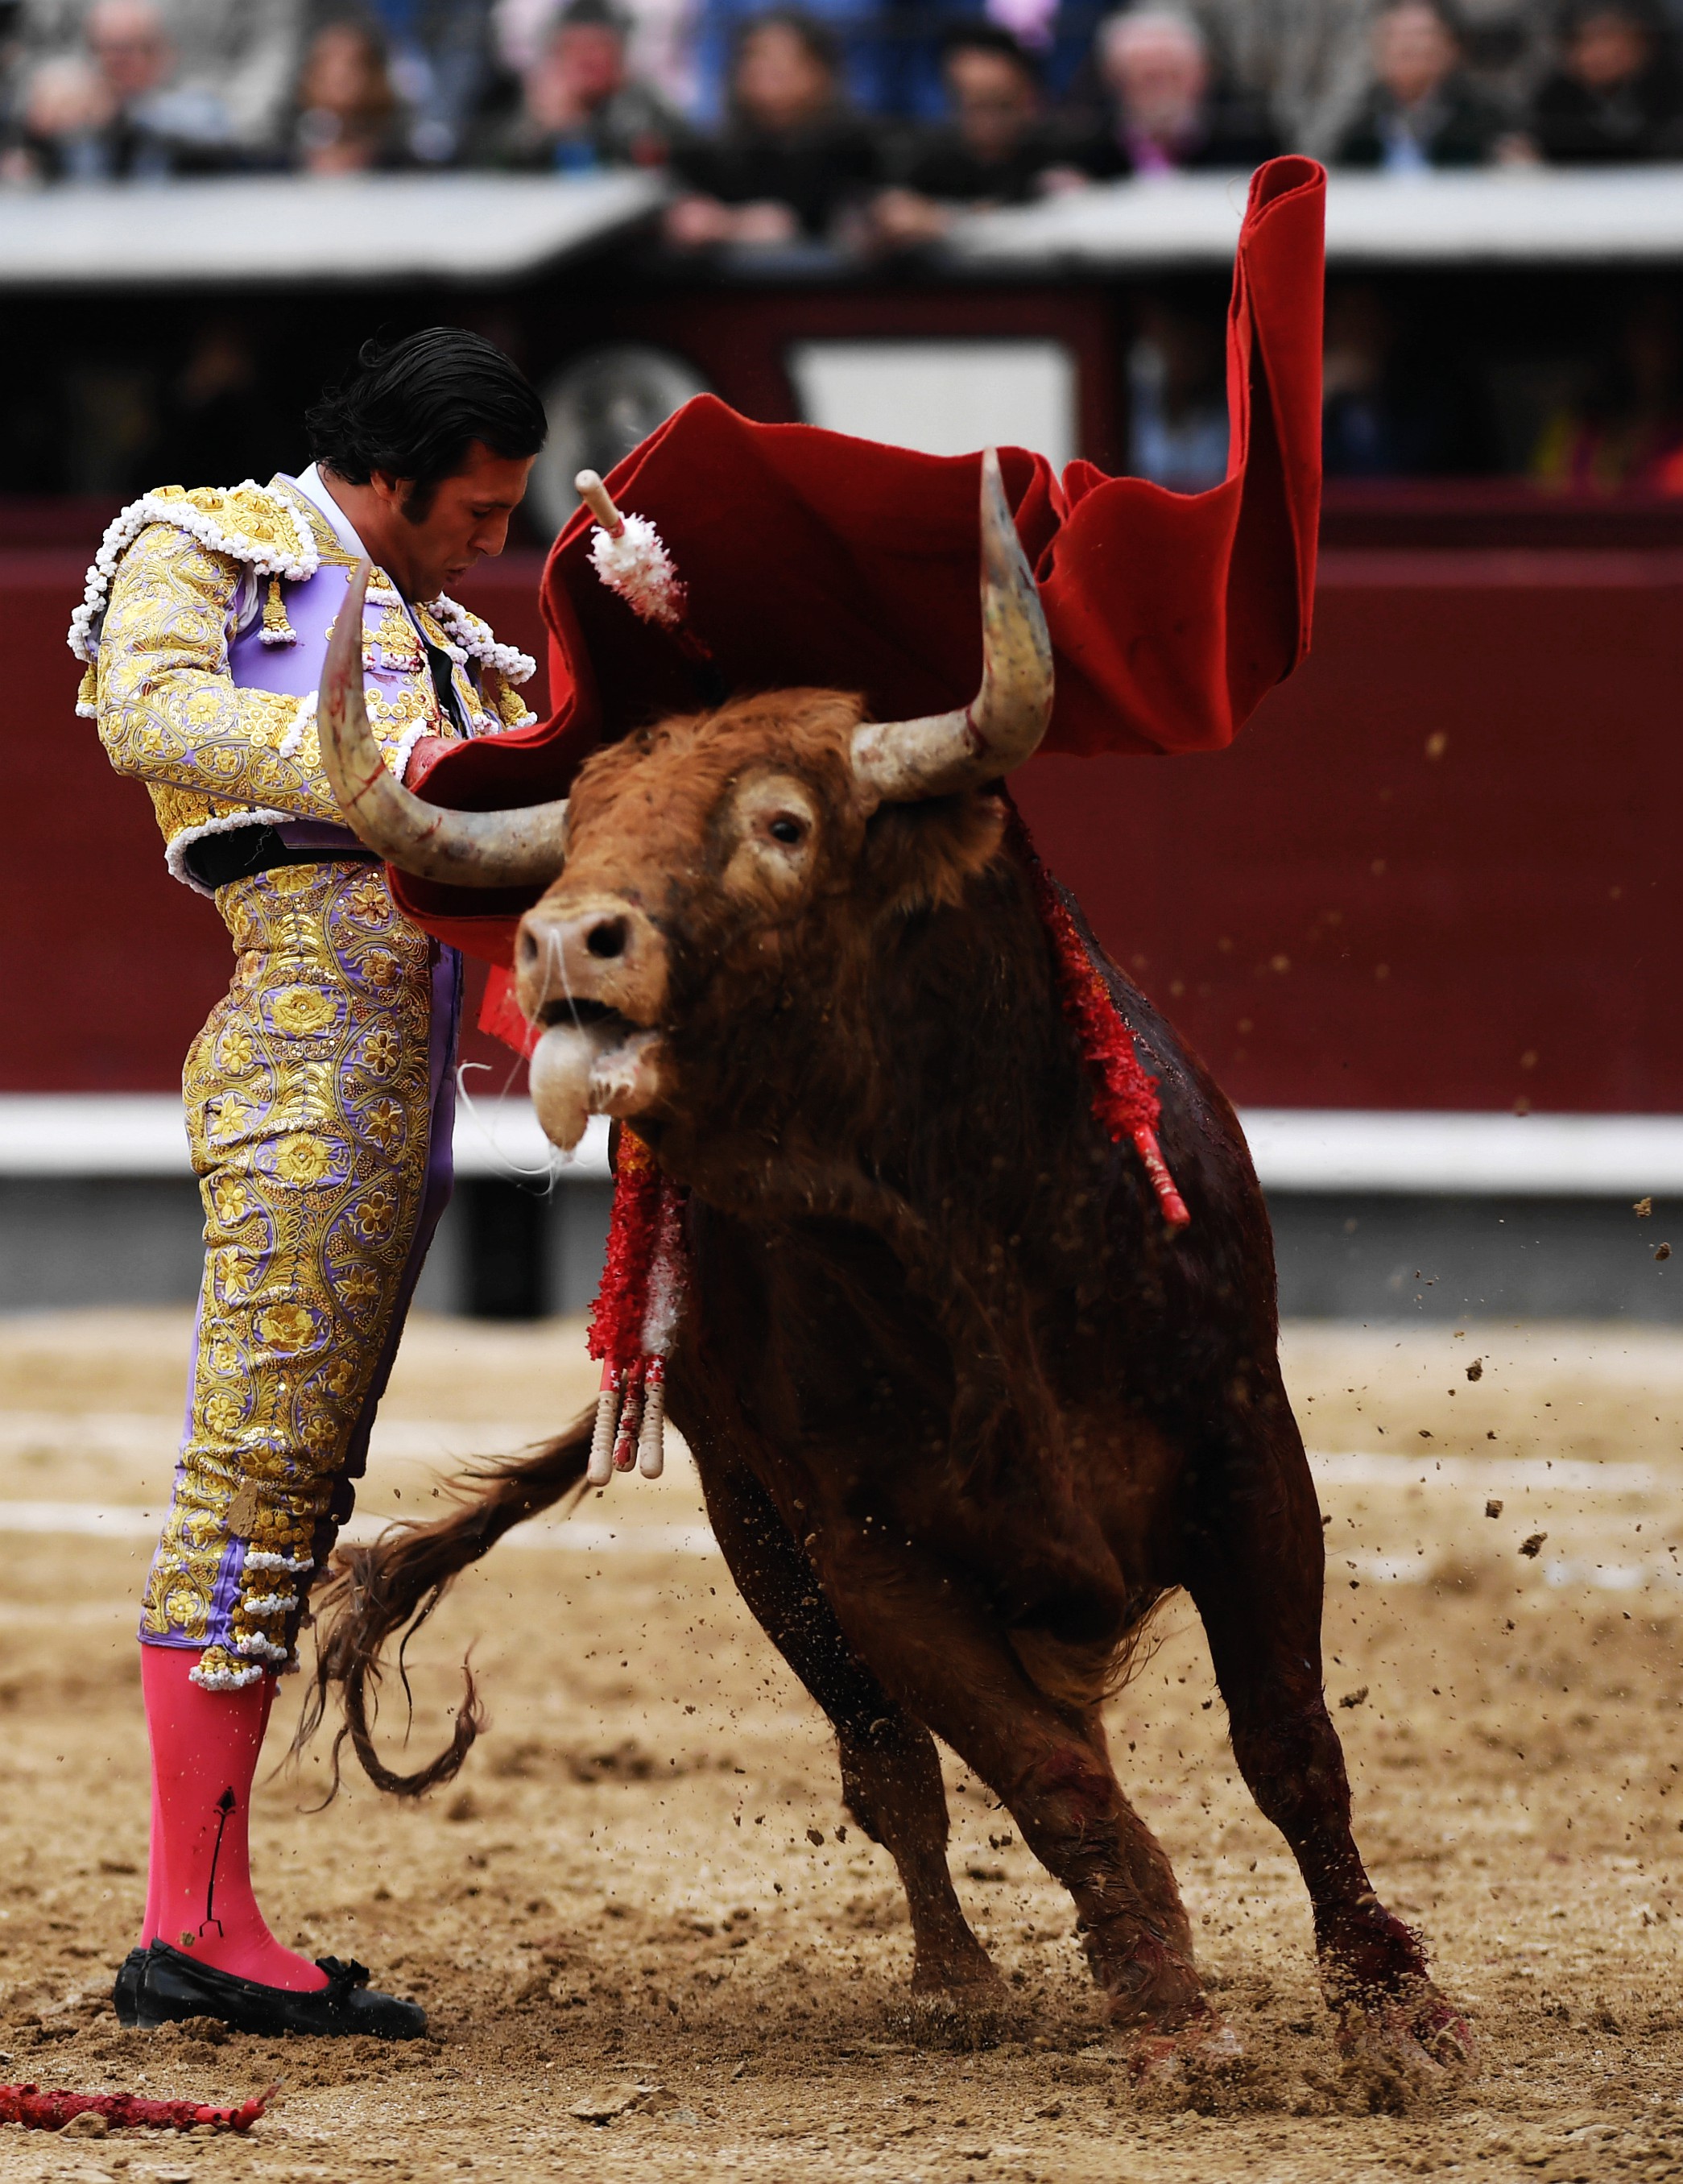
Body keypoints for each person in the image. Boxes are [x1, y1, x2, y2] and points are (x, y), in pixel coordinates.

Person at [76, 327, 547, 2037]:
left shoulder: (458, 643)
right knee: (260, 1467)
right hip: (301, 1055)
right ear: (392, 475)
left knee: (303, 1466)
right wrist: (399, 763)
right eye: (475, 511)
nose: (492, 543)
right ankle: (191, 1924)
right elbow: (149, 708)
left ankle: (202, 1910)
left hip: (413, 1076)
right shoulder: (205, 540)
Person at [666, 8, 881, 248]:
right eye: (753, 61)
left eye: (782, 65)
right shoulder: (709, 158)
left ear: (822, 72)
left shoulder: (862, 152)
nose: (764, 76)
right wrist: (727, 224)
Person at [873, 23, 1085, 250]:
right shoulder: (924, 162)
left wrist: (948, 223)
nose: (987, 121)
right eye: (973, 104)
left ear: (1029, 96)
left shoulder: (1064, 153)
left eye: (1002, 104)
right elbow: (894, 217)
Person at [7, 0, 236, 180]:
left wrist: (119, 114)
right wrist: (36, 138)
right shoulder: (80, 108)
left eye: (132, 48)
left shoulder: (190, 106)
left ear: (161, 51)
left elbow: (216, 138)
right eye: (107, 49)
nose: (120, 62)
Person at [1074, 7, 1280, 180]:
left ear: (1202, 73)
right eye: (1147, 77)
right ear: (1114, 78)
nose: (1160, 91)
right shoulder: (1081, 150)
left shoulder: (1250, 141)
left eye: (1174, 75)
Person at [475, 0, 684, 170]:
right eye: (573, 48)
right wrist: (540, 130)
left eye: (597, 47)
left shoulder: (642, 106)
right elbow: (492, 163)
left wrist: (576, 128)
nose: (586, 61)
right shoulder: (522, 106)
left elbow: (663, 159)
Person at [1532, 285, 1683, 488]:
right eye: (1648, 327)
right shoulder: (1573, 427)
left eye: (1671, 327)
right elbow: (1541, 498)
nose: (1660, 342)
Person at [1333, 0, 1513, 168]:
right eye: (1394, 35)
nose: (1407, 45)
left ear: (1451, 47)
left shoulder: (1486, 123)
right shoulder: (1358, 126)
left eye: (1421, 34)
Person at [1528, 0, 1683, 161]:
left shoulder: (1672, 88)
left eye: (1607, 36)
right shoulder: (1555, 98)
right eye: (1582, 39)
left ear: (1643, 41)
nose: (1598, 53)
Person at [291, 15, 408, 172]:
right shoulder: (279, 156)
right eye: (330, 64)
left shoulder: (403, 159)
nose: (341, 75)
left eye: (354, 64)